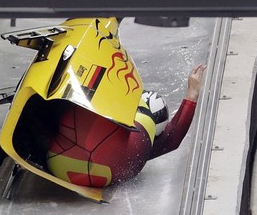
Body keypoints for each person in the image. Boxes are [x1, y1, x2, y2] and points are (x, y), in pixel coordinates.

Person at [46, 64, 206, 187]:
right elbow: (173, 139)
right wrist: (192, 93)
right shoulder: (146, 149)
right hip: (104, 171)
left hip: (62, 161)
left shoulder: (139, 121)